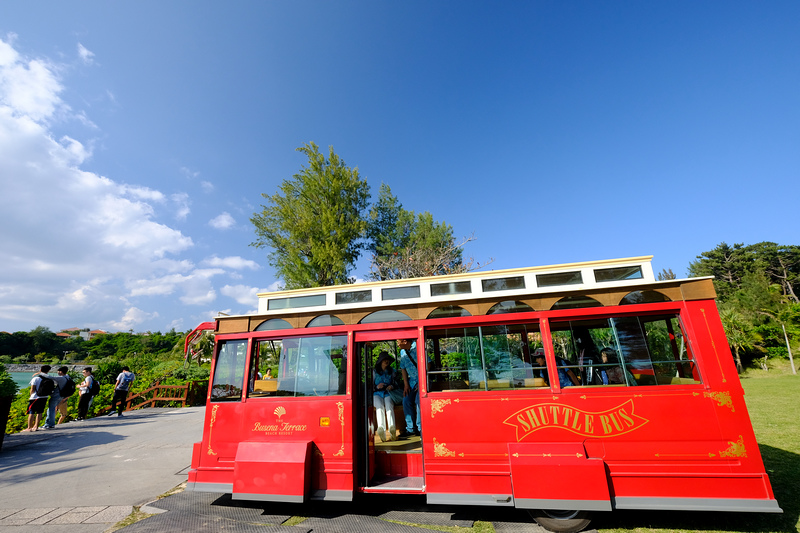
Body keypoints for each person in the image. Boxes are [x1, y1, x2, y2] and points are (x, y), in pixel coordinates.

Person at [398, 339, 421, 438]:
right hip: (411, 382)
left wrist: (422, 382)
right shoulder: (402, 352)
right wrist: (406, 385)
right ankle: (411, 428)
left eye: (398, 341)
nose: (397, 344)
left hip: (422, 381)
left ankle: (420, 429)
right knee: (406, 400)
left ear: (405, 341)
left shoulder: (418, 347)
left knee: (418, 401)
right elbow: (403, 368)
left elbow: (427, 364)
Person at [373, 351, 397, 443]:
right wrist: (377, 387)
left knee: (389, 406)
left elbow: (397, 384)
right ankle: (381, 430)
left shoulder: (392, 371)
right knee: (379, 407)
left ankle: (392, 429)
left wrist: (392, 386)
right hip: (376, 394)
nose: (386, 361)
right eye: (384, 360)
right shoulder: (374, 372)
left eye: (387, 359)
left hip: (388, 393)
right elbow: (369, 385)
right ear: (380, 361)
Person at [25, 365, 52, 432]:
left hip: (35, 397)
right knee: (40, 412)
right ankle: (36, 426)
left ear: (40, 370)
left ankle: (29, 428)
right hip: (44, 397)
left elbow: (32, 389)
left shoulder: (36, 379)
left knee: (31, 412)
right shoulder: (49, 379)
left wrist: (31, 395)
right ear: (48, 371)